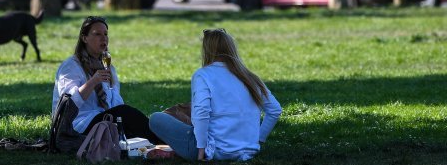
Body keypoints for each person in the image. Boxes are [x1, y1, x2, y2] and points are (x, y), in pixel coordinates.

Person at [149, 28, 281, 161]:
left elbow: (201, 112)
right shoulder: (250, 77)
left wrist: (201, 149)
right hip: (248, 152)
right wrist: (258, 140)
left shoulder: (203, 74)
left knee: (156, 118)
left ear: (207, 50)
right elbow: (275, 110)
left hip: (214, 151)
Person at [51, 16, 161, 142]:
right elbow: (68, 105)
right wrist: (93, 82)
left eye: (105, 34)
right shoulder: (71, 66)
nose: (104, 38)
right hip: (78, 125)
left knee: (129, 120)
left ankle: (160, 140)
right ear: (84, 38)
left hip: (103, 119)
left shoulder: (107, 66)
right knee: (126, 113)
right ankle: (161, 141)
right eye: (97, 34)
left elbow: (115, 104)